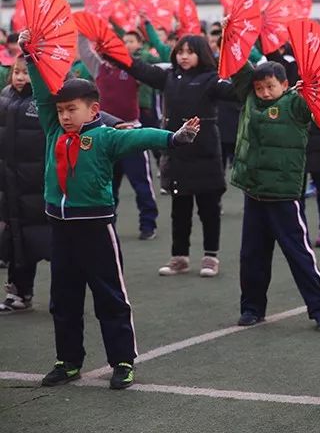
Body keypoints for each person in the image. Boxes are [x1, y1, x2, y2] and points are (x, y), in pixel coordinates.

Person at [19, 27, 200, 390]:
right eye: (61, 110)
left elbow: (141, 135)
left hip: (96, 229)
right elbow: (40, 93)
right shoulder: (54, 129)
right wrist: (29, 55)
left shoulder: (105, 136)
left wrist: (173, 138)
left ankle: (122, 362)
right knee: (63, 299)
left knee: (110, 297)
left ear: (94, 109)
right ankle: (68, 361)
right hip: (61, 227)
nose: (65, 116)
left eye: (72, 109)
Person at [100, 35, 232, 277]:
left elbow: (236, 92)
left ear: (201, 54)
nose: (183, 56)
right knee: (179, 209)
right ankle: (179, 257)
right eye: (180, 51)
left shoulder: (212, 80)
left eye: (190, 52)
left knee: (209, 209)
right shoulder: (169, 77)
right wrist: (109, 52)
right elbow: (138, 68)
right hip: (177, 152)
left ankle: (210, 256)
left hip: (205, 154)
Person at [229, 61, 320, 331]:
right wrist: (232, 34)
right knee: (252, 256)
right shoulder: (249, 98)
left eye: (270, 87)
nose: (264, 92)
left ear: (285, 84)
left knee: (299, 255)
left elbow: (317, 95)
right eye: (259, 87)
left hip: (285, 197)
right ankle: (252, 308)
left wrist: (308, 88)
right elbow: (237, 65)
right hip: (254, 193)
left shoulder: (296, 104)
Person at [77, 30, 159, 241]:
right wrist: (82, 31)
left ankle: (148, 224)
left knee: (141, 182)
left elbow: (153, 68)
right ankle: (107, 223)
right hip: (106, 135)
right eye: (104, 49)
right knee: (108, 184)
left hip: (131, 133)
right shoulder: (99, 68)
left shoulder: (132, 68)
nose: (107, 52)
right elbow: (84, 51)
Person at [0, 57, 50, 313]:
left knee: (49, 241)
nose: (20, 77)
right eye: (16, 72)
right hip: (12, 184)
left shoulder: (46, 98)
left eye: (26, 72)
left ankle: (64, 293)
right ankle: (18, 292)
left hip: (40, 183)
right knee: (17, 241)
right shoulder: (5, 98)